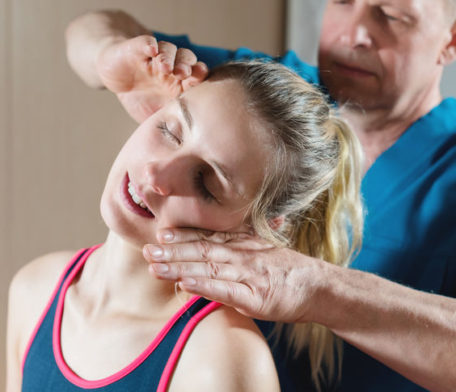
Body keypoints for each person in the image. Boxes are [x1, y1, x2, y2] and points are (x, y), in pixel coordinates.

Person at [64, 0, 456, 390]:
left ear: (450, 39)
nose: (355, 34)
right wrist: (112, 53)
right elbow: (89, 26)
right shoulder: (272, 101)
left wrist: (316, 291)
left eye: (390, 16)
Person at [6, 55, 364, 391]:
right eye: (170, 131)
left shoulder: (221, 358)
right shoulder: (34, 289)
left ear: (254, 229)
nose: (156, 173)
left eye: (205, 181)